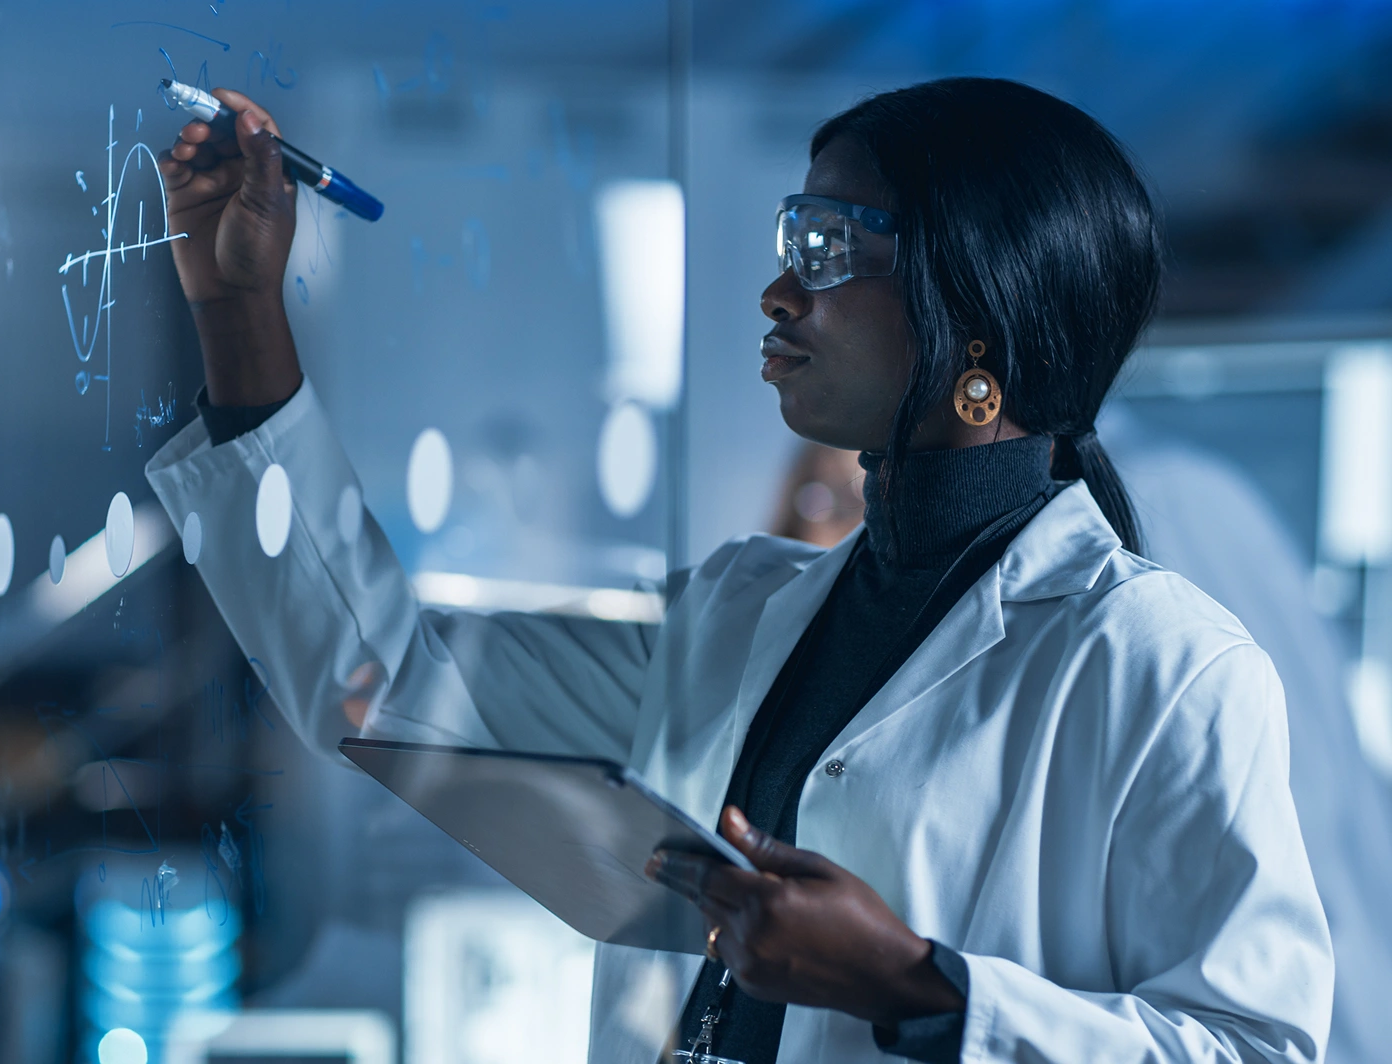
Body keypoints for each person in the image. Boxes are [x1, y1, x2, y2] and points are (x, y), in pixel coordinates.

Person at [146, 79, 1332, 1063]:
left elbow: (1256, 1043)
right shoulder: (742, 609)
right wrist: (238, 304)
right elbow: (375, 677)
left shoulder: (1165, 666)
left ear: (977, 305)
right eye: (789, 237)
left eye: (829, 246)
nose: (778, 292)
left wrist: (921, 987)